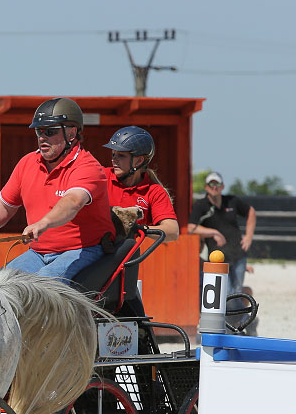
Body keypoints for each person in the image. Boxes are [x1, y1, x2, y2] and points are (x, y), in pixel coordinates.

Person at [0, 97, 113, 285]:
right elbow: (5, 204)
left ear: (72, 133)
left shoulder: (88, 167)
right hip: (38, 252)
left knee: (40, 288)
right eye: (39, 131)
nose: (42, 137)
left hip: (83, 250)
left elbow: (73, 202)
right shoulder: (27, 163)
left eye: (50, 131)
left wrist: (43, 223)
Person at [188, 171, 257, 329]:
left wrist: (249, 237)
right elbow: (191, 227)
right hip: (218, 258)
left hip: (238, 254)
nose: (214, 187)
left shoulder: (231, 201)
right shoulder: (201, 205)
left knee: (236, 292)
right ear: (206, 187)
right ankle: (245, 319)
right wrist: (213, 232)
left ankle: (237, 324)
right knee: (227, 294)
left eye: (217, 184)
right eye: (211, 184)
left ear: (222, 186)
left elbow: (251, 212)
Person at [103, 126, 179, 241]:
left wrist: (138, 228)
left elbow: (173, 231)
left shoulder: (154, 191)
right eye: (113, 154)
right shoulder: (101, 176)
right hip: (94, 247)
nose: (114, 159)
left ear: (139, 161)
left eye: (121, 155)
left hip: (126, 255)